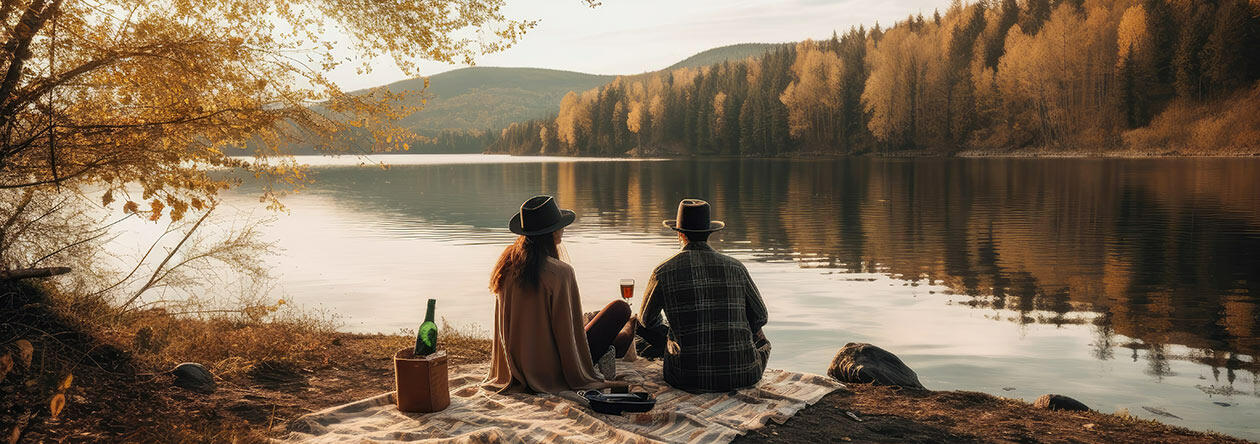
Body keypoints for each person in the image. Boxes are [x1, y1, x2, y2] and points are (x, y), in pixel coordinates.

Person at [484, 195, 634, 394]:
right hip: (552, 368)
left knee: (598, 319)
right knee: (620, 309)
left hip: (515, 365)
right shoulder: (560, 272)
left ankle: (621, 339)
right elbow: (568, 335)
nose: (563, 230)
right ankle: (626, 335)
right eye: (560, 226)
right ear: (553, 232)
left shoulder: (506, 265)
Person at [637, 199, 771, 393]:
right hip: (745, 374)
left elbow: (647, 321)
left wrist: (673, 332)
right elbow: (760, 317)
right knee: (760, 337)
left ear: (680, 234)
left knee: (648, 333)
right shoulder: (736, 267)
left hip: (686, 377)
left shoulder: (663, 271)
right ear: (709, 234)